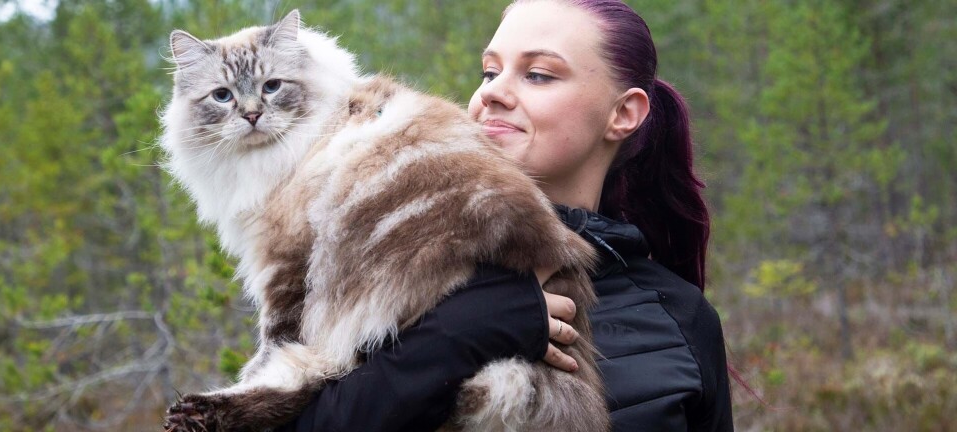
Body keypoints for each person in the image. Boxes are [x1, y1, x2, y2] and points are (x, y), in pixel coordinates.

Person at [278, 0, 733, 430]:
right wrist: (458, 333)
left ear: (623, 113)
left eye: (537, 75)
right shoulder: (373, 261)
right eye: (489, 72)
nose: (491, 92)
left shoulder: (681, 318)